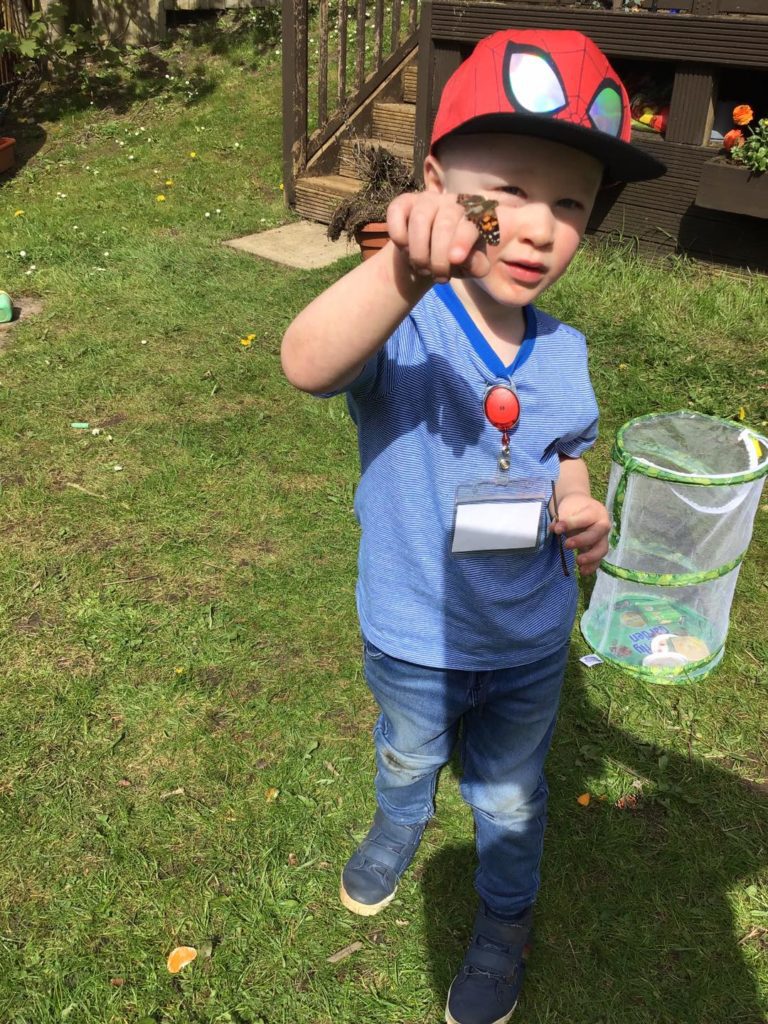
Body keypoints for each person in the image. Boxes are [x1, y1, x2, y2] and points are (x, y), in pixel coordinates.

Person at [281, 28, 665, 1024]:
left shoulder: (565, 349)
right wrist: (399, 273)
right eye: (509, 193)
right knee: (410, 752)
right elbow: (307, 363)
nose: (538, 229)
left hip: (529, 640)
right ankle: (399, 818)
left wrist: (579, 506)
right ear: (438, 186)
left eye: (571, 204)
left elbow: (566, 450)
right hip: (416, 634)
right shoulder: (403, 320)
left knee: (508, 796)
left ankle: (503, 918)